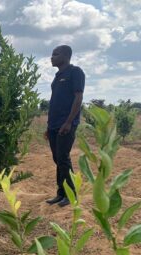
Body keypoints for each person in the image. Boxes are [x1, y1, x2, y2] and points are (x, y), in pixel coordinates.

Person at [45, 45, 85, 207]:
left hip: (66, 124)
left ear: (66, 56)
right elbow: (55, 102)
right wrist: (48, 127)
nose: (52, 57)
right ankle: (61, 193)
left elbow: (78, 97)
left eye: (56, 54)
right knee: (58, 159)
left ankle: (71, 195)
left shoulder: (75, 72)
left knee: (63, 158)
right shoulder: (58, 76)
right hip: (54, 125)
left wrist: (69, 122)